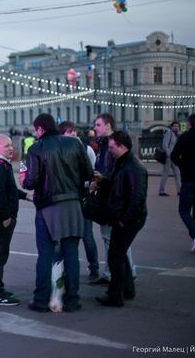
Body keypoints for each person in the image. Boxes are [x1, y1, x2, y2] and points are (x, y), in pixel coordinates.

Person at [23, 114, 93, 313]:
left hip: (47, 207)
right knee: (71, 254)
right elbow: (88, 173)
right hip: (73, 205)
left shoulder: (36, 148)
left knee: (45, 254)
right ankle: (72, 300)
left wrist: (25, 182)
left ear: (39, 130)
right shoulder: (75, 144)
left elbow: (31, 181)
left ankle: (41, 300)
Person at [95, 131, 148, 307]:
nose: (109, 150)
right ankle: (127, 289)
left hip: (129, 218)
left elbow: (137, 198)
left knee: (115, 255)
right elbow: (116, 184)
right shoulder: (123, 162)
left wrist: (123, 220)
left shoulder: (133, 166)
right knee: (120, 252)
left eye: (111, 147)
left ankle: (115, 295)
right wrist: (102, 180)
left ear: (121, 146)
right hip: (125, 216)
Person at [0, 134, 30, 305]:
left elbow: (9, 189)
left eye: (11, 145)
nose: (11, 148)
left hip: (0, 217)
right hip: (1, 219)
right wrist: (6, 217)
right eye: (6, 146)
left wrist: (25, 196)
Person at [91, 113, 136, 285]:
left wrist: (102, 179)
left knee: (115, 238)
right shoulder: (103, 145)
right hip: (105, 194)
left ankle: (127, 272)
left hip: (112, 197)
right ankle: (111, 272)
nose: (95, 128)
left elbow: (115, 172)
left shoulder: (114, 144)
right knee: (109, 237)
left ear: (108, 125)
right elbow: (101, 167)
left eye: (98, 125)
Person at [58, 121, 99, 282]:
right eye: (70, 132)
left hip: (81, 197)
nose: (74, 134)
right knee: (66, 236)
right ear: (62, 135)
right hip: (68, 199)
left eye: (74, 131)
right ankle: (63, 269)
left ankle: (93, 267)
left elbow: (93, 171)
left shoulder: (86, 149)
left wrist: (88, 185)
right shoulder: (60, 150)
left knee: (86, 235)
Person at [170, 113, 195, 254]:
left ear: (190, 123)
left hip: (188, 180)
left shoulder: (184, 137)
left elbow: (174, 156)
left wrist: (183, 166)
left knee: (184, 210)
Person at [159, 121, 181, 196]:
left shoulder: (178, 134)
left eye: (177, 126)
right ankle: (161, 191)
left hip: (175, 158)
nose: (176, 127)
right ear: (171, 127)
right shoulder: (169, 133)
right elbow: (164, 145)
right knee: (165, 174)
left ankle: (179, 191)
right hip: (169, 157)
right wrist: (169, 154)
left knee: (178, 174)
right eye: (174, 126)